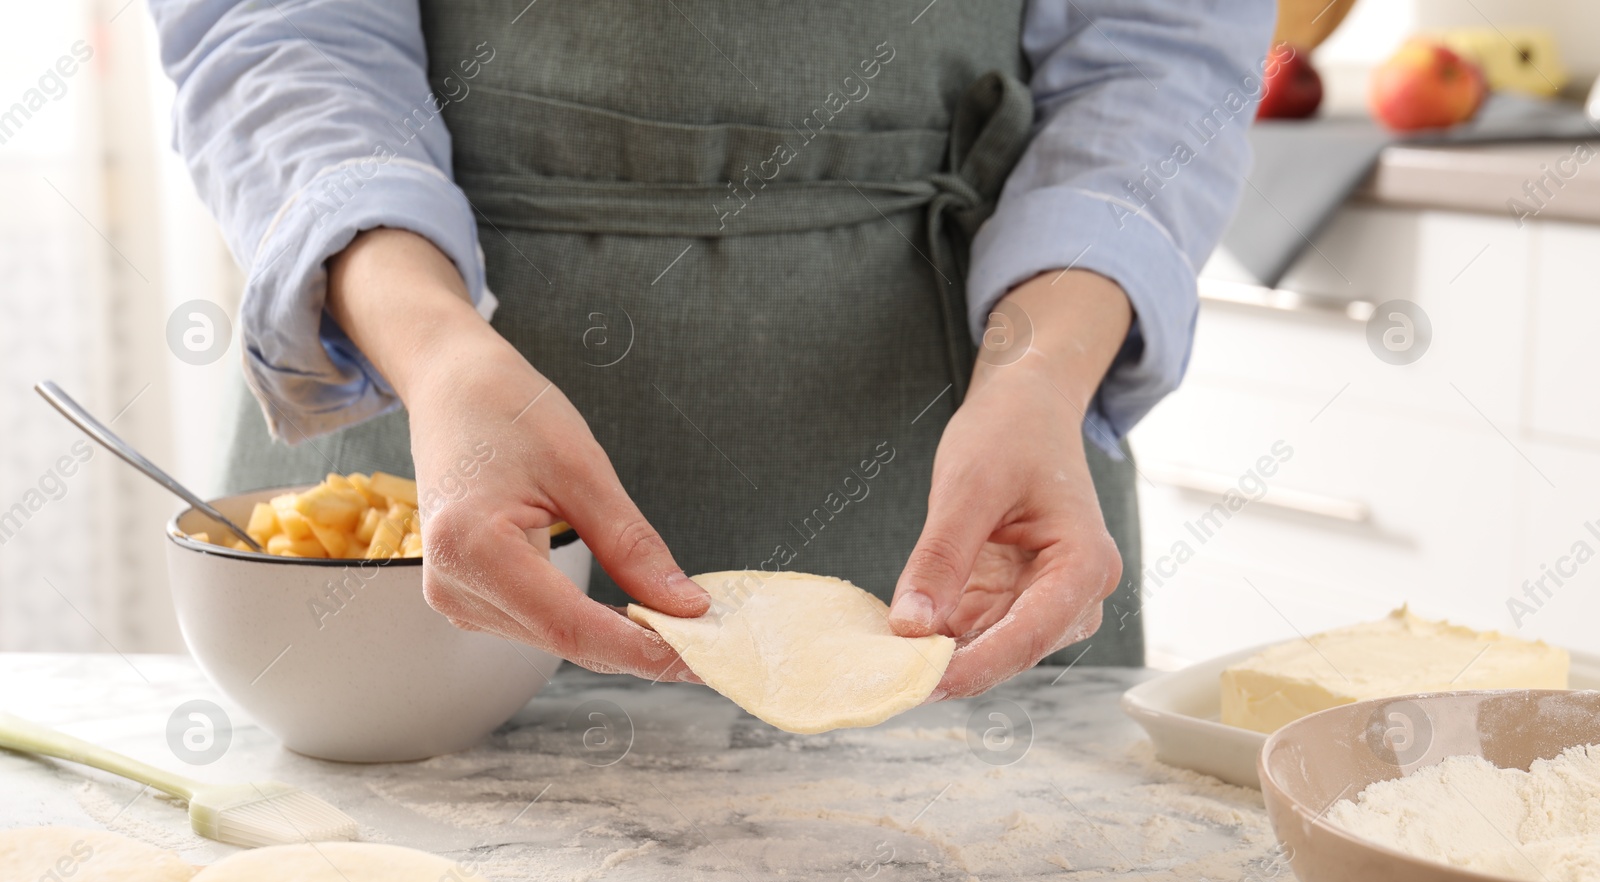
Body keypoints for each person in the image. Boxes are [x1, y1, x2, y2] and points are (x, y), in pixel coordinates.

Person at [152, 0, 1273, 696]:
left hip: (968, 443)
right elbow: (278, 28)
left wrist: (1038, 370)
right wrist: (437, 348)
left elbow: (1156, 58)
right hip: (425, 412)